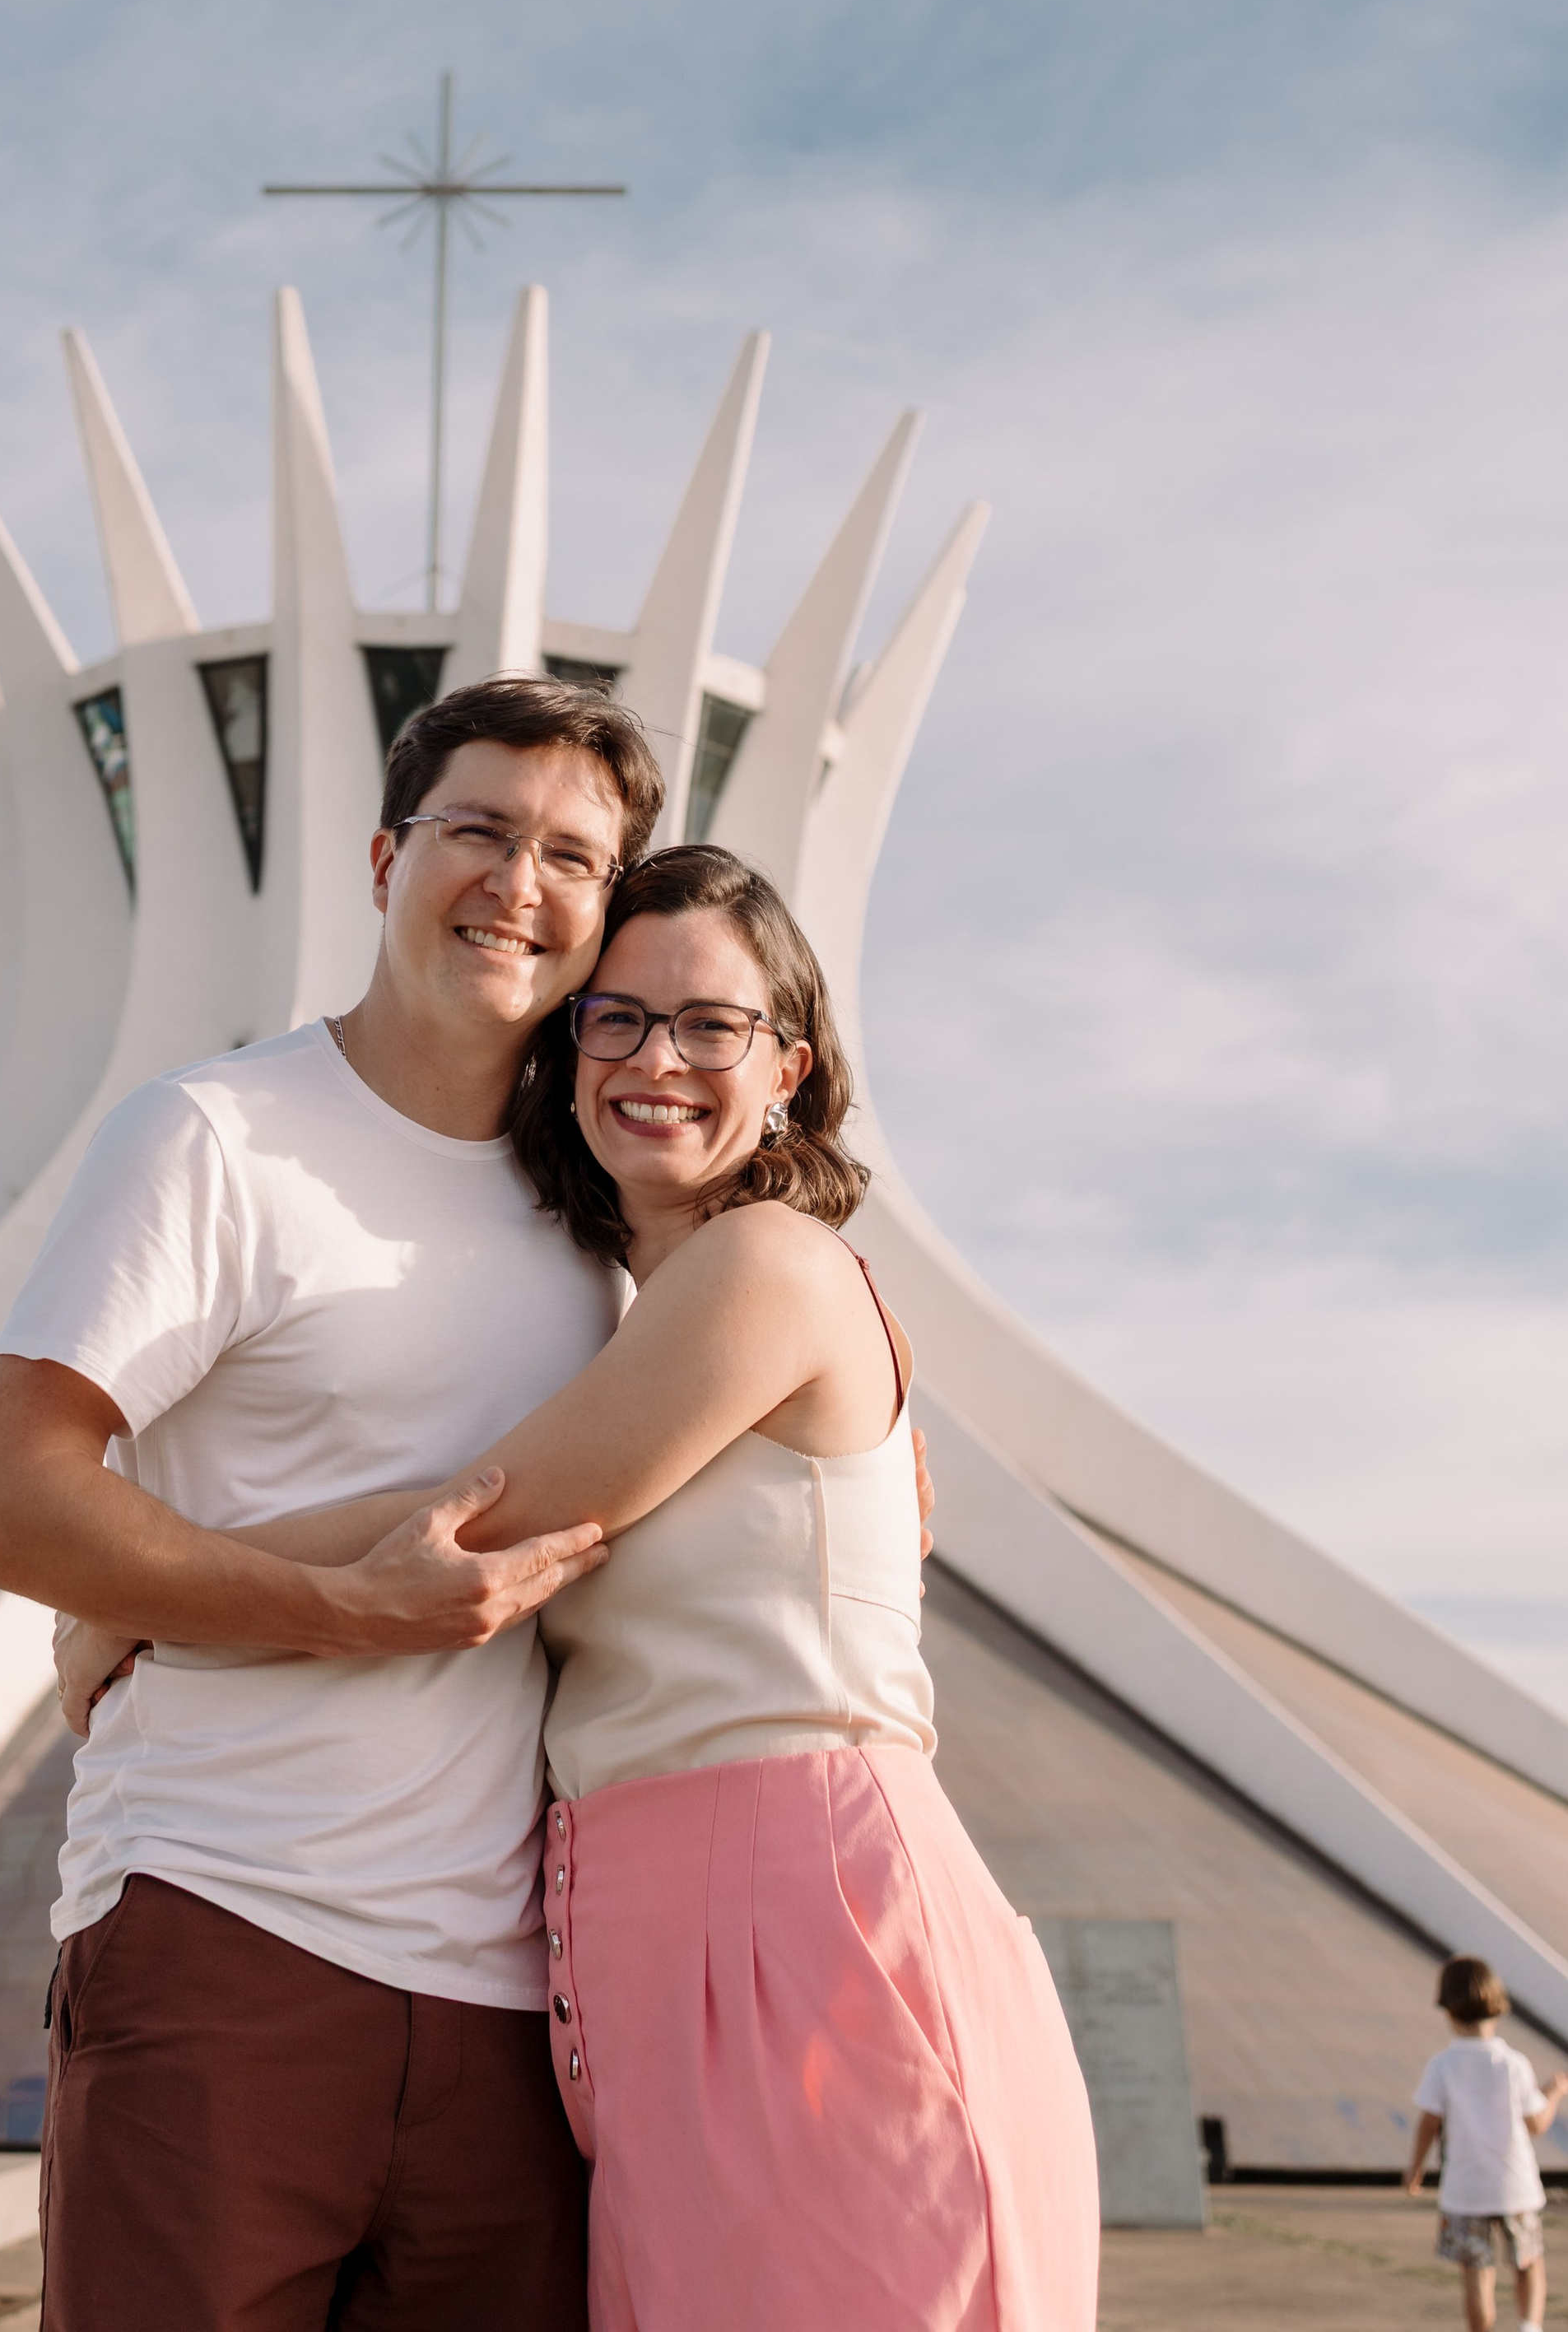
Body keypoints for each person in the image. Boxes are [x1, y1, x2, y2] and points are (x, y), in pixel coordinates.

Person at [0, 674, 936, 2332]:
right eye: (477, 830)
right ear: (384, 856)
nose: (518, 883)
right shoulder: (218, 1138)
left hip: (518, 1997)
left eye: (571, 857)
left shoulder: (605, 1218)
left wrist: (138, 1598)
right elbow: (5, 1505)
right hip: (227, 1921)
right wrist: (325, 1604)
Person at [126, 844, 1095, 2329]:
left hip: (806, 1930)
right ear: (565, 1048)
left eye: (715, 1025)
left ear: (793, 1069)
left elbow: (486, 1523)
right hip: (648, 1963)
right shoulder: (636, 1318)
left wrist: (133, 1584)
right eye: (618, 1018)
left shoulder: (763, 1264)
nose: (661, 1059)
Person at [1404, 1953, 1568, 2331]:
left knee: (1476, 2272)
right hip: (1514, 2187)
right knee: (1528, 2262)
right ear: (1499, 2007)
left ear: (1447, 2010)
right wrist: (1554, 2092)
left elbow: (1428, 2123)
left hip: (1465, 2192)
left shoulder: (1442, 2065)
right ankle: (1529, 2327)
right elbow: (1536, 2124)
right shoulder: (1512, 2064)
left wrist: (1415, 2168)